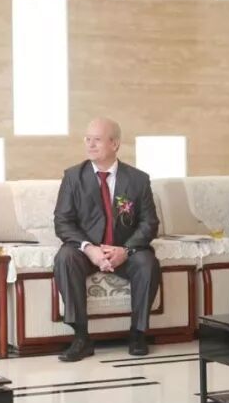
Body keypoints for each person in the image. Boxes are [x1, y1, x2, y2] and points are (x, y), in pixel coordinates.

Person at [53, 118, 161, 361]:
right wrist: (89, 248)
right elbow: (63, 221)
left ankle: (138, 333)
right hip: (86, 251)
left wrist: (126, 250)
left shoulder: (138, 179)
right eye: (87, 139)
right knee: (65, 257)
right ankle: (81, 337)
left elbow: (149, 223)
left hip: (124, 249)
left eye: (97, 140)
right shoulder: (73, 177)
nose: (90, 144)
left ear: (115, 144)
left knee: (147, 263)